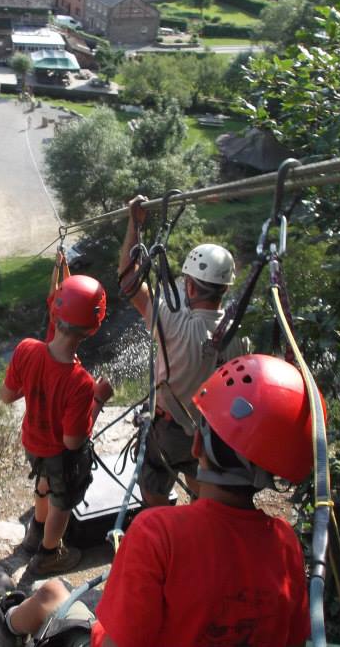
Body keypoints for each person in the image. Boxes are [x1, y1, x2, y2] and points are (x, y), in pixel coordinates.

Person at [0, 354, 314, 647]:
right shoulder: (285, 542)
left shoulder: (159, 532)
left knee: (52, 593)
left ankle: (6, 618)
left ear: (197, 444)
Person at [117, 195, 235, 506]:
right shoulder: (238, 335)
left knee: (153, 480)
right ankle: (200, 516)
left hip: (169, 431)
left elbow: (129, 280)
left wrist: (135, 223)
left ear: (192, 288)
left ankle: (163, 526)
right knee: (199, 477)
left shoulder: (174, 323)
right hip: (208, 430)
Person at [0, 274, 113, 575]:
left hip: (32, 444)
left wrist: (35, 380)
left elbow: (7, 396)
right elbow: (73, 442)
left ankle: (34, 532)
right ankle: (49, 553)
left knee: (43, 482)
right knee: (62, 501)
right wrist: (98, 400)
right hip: (58, 455)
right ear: (93, 328)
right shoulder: (81, 383)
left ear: (55, 313)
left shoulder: (26, 349)